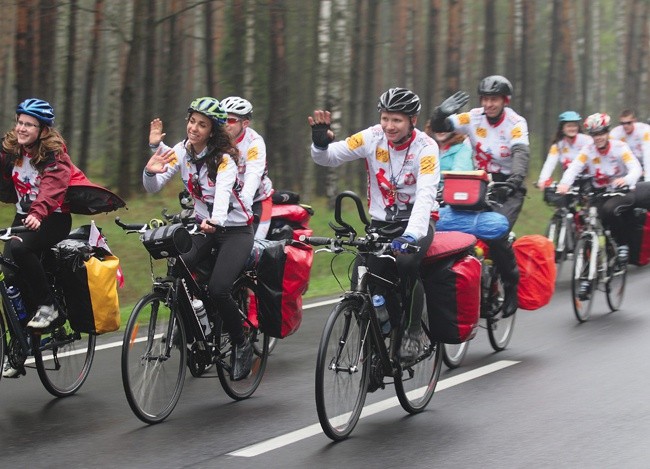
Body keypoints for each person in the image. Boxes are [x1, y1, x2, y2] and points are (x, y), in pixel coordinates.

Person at [308, 87, 439, 363]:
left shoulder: (426, 148)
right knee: (362, 275)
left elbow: (425, 195)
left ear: (412, 121)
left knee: (406, 265)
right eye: (385, 118)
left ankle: (414, 331)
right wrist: (320, 143)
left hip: (418, 221)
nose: (389, 126)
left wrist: (411, 235)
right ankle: (378, 337)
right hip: (381, 222)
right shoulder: (372, 137)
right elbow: (328, 157)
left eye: (397, 120)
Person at [144, 97, 254, 381]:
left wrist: (215, 221)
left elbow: (221, 197)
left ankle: (242, 343)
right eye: (192, 121)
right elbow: (154, 187)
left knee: (218, 289)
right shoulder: (181, 151)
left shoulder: (224, 160)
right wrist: (149, 170)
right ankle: (198, 324)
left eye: (202, 125)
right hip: (204, 225)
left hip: (235, 230)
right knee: (177, 267)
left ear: (212, 131)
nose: (194, 128)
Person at [429, 75, 529, 318]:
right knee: (456, 230)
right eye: (484, 99)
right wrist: (440, 113)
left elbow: (520, 154)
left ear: (505, 100)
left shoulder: (516, 122)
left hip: (507, 185)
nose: (488, 104)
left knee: (496, 234)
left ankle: (510, 284)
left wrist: (514, 182)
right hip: (477, 182)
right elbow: (440, 128)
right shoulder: (472, 117)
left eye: (493, 99)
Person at [0, 99, 70, 377]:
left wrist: (39, 213)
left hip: (52, 218)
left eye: (29, 124)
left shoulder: (55, 156)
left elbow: (53, 187)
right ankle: (21, 343)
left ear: (42, 130)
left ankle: (49, 305)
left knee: (19, 249)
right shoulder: (10, 151)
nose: (22, 128)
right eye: (20, 122)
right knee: (9, 278)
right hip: (23, 217)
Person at [557, 113, 642, 269]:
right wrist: (564, 184)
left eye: (601, 133)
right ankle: (593, 252)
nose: (598, 137)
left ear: (607, 132)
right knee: (585, 217)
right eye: (595, 134)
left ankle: (622, 245)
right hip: (600, 193)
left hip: (622, 191)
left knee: (610, 210)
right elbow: (574, 168)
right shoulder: (587, 150)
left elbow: (635, 168)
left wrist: (626, 180)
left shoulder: (620, 147)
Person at [220, 96, 274, 238]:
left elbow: (253, 174)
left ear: (245, 123)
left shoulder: (254, 143)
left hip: (256, 201)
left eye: (231, 120)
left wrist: (245, 201)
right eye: (222, 119)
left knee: (252, 247)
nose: (225, 124)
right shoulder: (214, 139)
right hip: (224, 201)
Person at [537, 111, 593, 189]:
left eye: (574, 126)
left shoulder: (587, 140)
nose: (572, 128)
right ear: (562, 128)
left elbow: (580, 162)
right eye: (569, 126)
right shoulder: (558, 145)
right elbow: (550, 163)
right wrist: (543, 179)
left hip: (589, 179)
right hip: (570, 179)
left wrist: (565, 182)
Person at [609, 109, 650, 178]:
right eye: (623, 123)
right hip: (628, 164)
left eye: (628, 123)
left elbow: (648, 153)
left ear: (634, 121)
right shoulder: (615, 133)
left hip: (644, 161)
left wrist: (647, 176)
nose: (625, 126)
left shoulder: (644, 129)